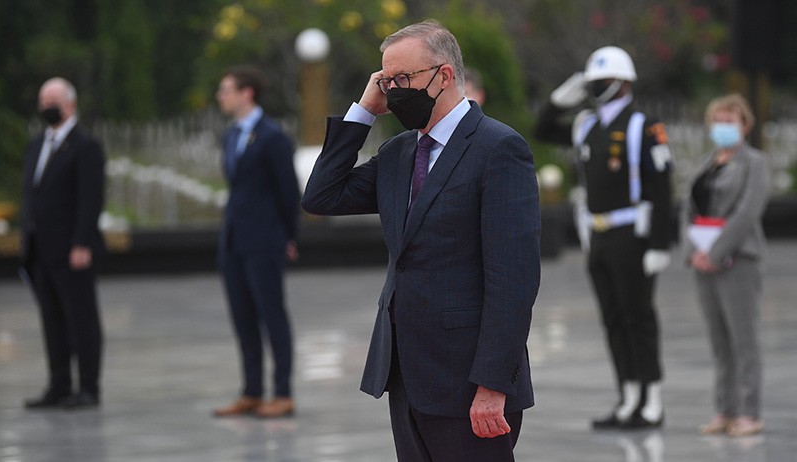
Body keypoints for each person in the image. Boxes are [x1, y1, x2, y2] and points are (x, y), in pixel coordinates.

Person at [302, 20, 540, 461]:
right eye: (386, 81)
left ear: (444, 75)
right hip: (408, 375)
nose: (393, 91)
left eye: (402, 79)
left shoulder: (498, 148)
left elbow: (514, 280)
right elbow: (321, 196)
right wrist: (364, 111)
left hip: (469, 382)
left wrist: (492, 386)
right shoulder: (399, 152)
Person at [534, 46, 672, 429]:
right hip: (597, 235)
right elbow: (542, 131)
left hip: (632, 234)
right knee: (613, 319)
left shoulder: (643, 126)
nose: (597, 88)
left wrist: (660, 244)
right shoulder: (586, 125)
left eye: (604, 81)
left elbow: (662, 188)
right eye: (593, 82)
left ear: (624, 82)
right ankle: (628, 397)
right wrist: (557, 102)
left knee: (638, 317)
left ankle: (652, 399)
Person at [212, 66, 301, 419]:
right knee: (242, 316)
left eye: (226, 89)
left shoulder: (272, 136)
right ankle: (251, 391)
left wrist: (290, 236)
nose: (221, 96)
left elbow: (288, 191)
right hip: (234, 240)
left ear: (246, 92)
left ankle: (282, 393)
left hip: (265, 240)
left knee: (271, 314)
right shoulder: (231, 135)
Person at [684, 94, 769, 437]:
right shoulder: (706, 164)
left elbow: (747, 212)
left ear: (745, 125)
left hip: (738, 261)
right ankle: (725, 409)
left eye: (729, 121)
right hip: (703, 261)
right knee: (719, 341)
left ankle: (750, 412)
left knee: (743, 340)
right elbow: (688, 209)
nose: (722, 127)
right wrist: (693, 251)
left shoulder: (755, 163)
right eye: (717, 121)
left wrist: (716, 252)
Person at [20, 77, 106, 409]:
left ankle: (88, 387)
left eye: (52, 101)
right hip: (40, 249)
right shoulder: (37, 144)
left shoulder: (85, 146)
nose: (46, 107)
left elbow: (90, 199)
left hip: (72, 250)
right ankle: (59, 384)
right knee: (52, 319)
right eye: (42, 101)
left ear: (70, 104)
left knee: (81, 319)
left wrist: (82, 243)